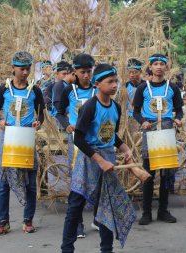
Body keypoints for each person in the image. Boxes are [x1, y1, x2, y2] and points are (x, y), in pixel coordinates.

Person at [61, 64, 136, 253]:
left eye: (116, 81)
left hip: (108, 160)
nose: (114, 85)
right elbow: (78, 138)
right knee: (75, 205)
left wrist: (125, 147)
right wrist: (99, 160)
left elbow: (112, 136)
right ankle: (67, 248)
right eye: (110, 82)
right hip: (88, 160)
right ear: (97, 84)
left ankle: (106, 249)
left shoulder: (116, 108)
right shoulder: (90, 106)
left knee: (107, 206)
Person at [0, 52, 45, 235]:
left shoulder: (35, 90)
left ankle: (28, 220)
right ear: (13, 68)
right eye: (22, 69)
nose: (25, 72)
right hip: (9, 141)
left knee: (30, 182)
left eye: (28, 68)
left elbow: (41, 113)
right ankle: (3, 222)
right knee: (3, 183)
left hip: (27, 141)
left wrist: (39, 122)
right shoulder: (4, 89)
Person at [133, 53, 184, 225]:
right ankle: (146, 212)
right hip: (151, 131)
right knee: (149, 172)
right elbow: (136, 111)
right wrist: (143, 121)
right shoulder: (142, 88)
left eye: (162, 64)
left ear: (166, 67)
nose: (159, 67)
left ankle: (163, 210)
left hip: (168, 130)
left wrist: (178, 118)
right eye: (155, 64)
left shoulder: (173, 87)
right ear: (151, 67)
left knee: (166, 173)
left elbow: (180, 109)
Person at [56, 53, 97, 238]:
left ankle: (99, 218)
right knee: (77, 181)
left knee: (97, 179)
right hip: (77, 142)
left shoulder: (98, 90)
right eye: (82, 72)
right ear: (75, 72)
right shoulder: (68, 90)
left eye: (89, 71)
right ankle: (78, 223)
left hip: (95, 141)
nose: (86, 75)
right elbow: (59, 113)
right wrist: (67, 125)